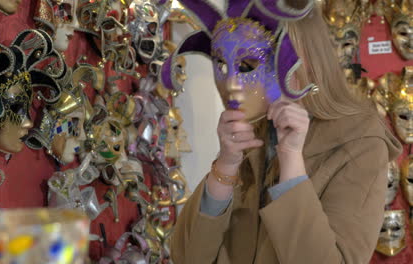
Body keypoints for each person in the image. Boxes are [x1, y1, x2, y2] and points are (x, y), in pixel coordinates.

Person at [168, 1, 403, 263]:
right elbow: (187, 256)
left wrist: (291, 161)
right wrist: (225, 168)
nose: (231, 83)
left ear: (301, 60)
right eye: (221, 64)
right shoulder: (255, 132)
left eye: (247, 65)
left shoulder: (360, 143)